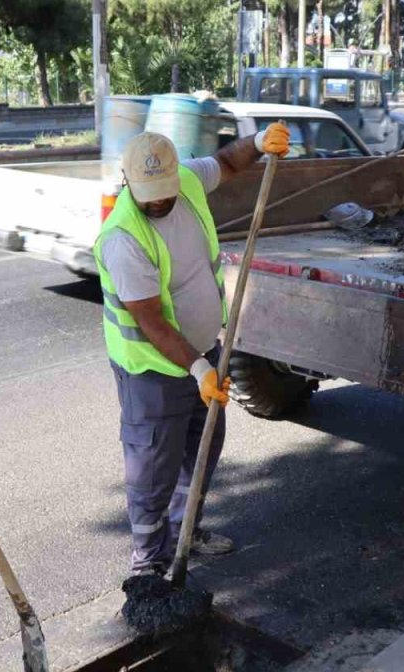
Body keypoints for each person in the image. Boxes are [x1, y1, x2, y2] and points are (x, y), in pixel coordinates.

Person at [94, 123, 291, 576]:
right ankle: (147, 562)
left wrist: (258, 144)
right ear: (128, 183)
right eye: (151, 194)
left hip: (204, 353)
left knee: (201, 449)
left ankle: (186, 531)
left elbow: (225, 162)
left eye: (166, 189)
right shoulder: (123, 239)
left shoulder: (183, 179)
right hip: (153, 371)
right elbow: (152, 323)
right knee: (152, 469)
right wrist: (200, 369)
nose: (160, 200)